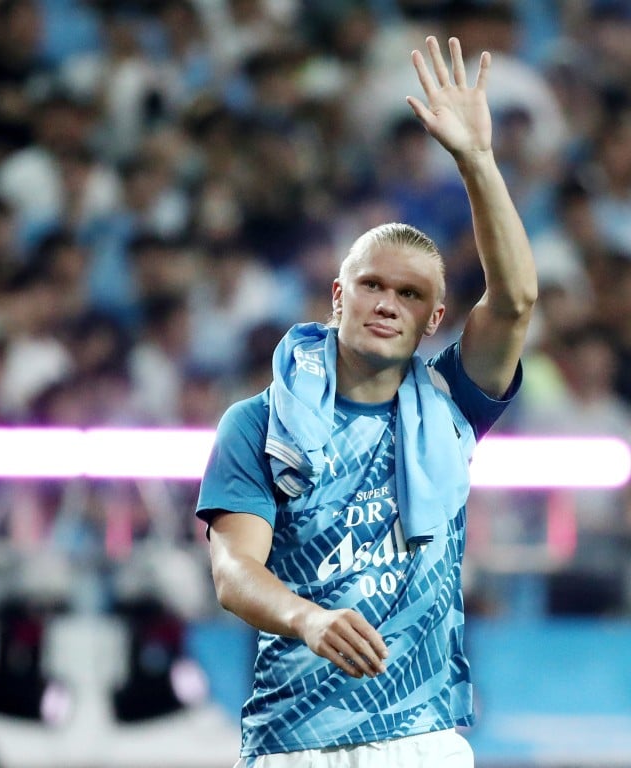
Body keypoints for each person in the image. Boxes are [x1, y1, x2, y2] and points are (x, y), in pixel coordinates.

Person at [195, 35, 537, 768]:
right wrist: (307, 619)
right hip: (294, 741)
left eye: (410, 294)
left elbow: (514, 301)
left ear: (433, 319)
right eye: (373, 286)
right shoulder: (258, 422)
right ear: (338, 295)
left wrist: (477, 160)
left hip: (422, 739)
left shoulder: (453, 403)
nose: (387, 303)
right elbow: (232, 573)